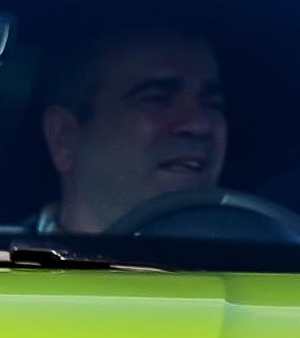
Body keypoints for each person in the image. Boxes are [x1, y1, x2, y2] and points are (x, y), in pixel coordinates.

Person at [34, 26, 228, 235]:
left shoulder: (259, 258)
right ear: (64, 138)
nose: (199, 125)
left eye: (213, 103)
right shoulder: (3, 259)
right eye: (157, 99)